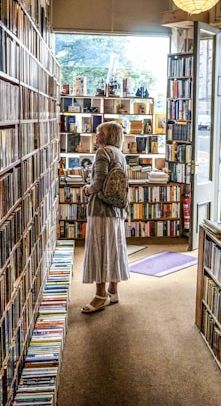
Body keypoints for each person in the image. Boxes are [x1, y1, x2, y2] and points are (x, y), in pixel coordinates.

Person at [80, 121, 130, 313]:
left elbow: (98, 183)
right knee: (113, 249)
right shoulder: (120, 154)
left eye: (100, 131)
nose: (96, 134)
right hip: (116, 210)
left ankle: (100, 296)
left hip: (101, 211)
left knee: (99, 250)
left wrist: (86, 190)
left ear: (107, 136)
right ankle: (113, 291)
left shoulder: (102, 153)